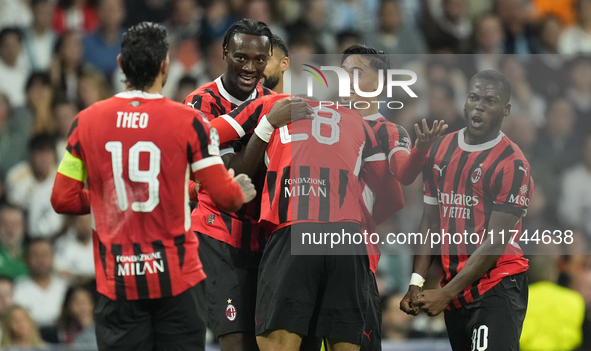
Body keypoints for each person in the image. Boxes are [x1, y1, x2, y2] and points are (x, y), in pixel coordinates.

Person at [50, 22, 255, 351]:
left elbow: (63, 198)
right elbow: (225, 197)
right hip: (177, 279)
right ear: (165, 65)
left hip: (117, 281)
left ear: (120, 64)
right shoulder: (190, 122)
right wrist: (239, 190)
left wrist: (110, 197)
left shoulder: (85, 121)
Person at [208, 90, 394, 351]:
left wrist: (260, 129)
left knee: (277, 344)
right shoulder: (359, 120)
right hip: (348, 237)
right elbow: (391, 191)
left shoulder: (272, 103)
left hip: (294, 230)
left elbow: (206, 131)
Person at [400, 70, 535, 351]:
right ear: (464, 101)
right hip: (456, 289)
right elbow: (430, 222)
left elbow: (496, 242)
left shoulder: (513, 163)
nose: (479, 105)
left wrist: (446, 293)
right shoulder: (440, 149)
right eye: (474, 97)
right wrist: (417, 282)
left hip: (497, 285)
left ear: (506, 109)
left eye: (490, 100)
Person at [340, 45, 447, 351]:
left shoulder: (388, 131)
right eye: (344, 71)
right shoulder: (322, 119)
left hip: (355, 250)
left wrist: (421, 150)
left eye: (356, 72)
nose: (347, 78)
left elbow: (404, 172)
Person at [182, 18, 276, 351]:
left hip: (265, 238)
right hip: (219, 235)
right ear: (225, 52)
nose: (250, 67)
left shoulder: (273, 100)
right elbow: (227, 179)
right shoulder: (200, 104)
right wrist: (265, 126)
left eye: (259, 59)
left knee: (264, 341)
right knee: (235, 341)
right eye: (241, 57)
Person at [13, 239, 68, 328]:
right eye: (35, 255)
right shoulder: (16, 289)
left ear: (53, 257)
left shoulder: (65, 287)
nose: (40, 260)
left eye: (45, 254)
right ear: (26, 259)